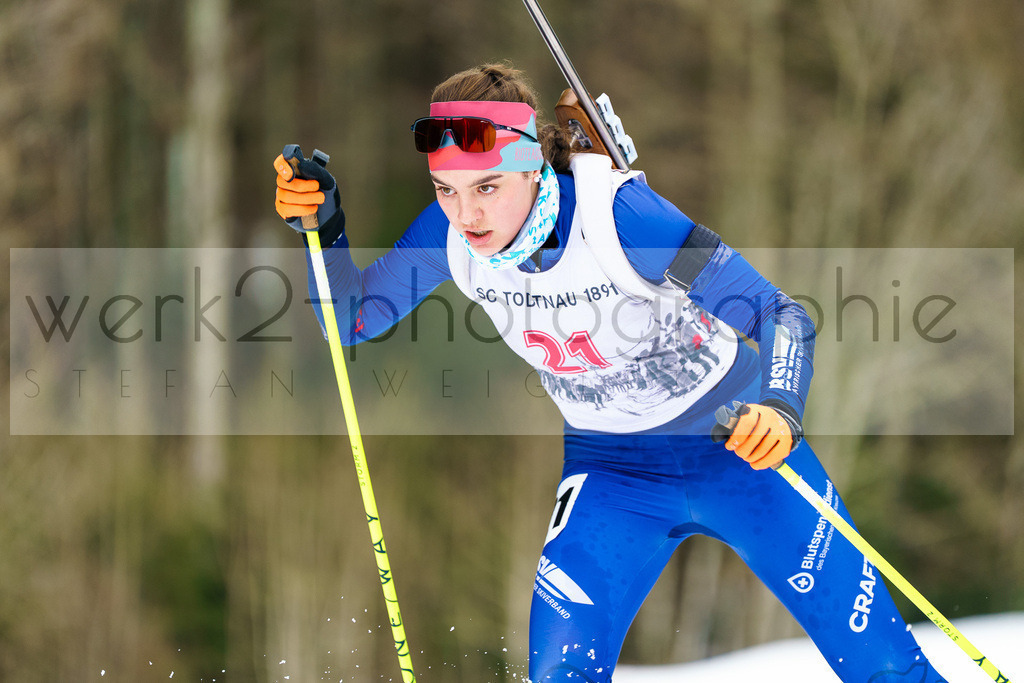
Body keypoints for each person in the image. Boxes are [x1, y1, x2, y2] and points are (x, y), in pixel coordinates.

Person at [274, 63, 947, 683]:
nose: (467, 214)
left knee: (885, 669)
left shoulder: (620, 216)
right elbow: (351, 320)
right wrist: (324, 228)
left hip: (736, 450)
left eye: (487, 186)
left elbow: (781, 314)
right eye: (446, 190)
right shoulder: (450, 238)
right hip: (611, 476)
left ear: (533, 165)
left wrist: (780, 407)